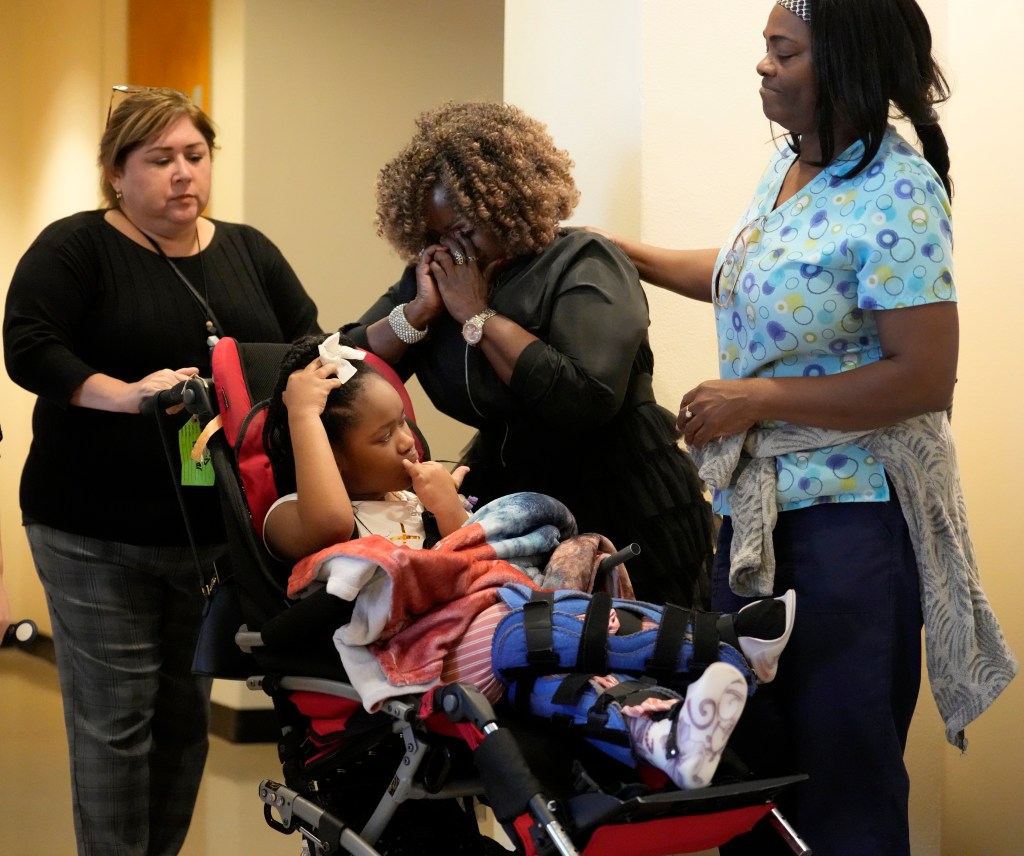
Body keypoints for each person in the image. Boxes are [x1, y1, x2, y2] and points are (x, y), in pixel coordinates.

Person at [591, 2, 1018, 854]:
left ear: (845, 63)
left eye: (782, 51)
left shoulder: (899, 189)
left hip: (851, 530)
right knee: (754, 770)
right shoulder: (794, 169)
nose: (762, 66)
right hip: (761, 524)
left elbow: (925, 375)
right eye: (765, 48)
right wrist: (615, 250)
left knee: (842, 779)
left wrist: (755, 400)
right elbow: (745, 271)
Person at [261, 333, 796, 793]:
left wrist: (448, 510)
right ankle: (724, 638)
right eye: (383, 436)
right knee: (528, 628)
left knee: (551, 678)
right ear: (326, 455)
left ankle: (663, 733)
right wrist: (302, 412)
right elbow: (333, 524)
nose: (406, 441)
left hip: (477, 644)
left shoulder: (412, 502)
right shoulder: (292, 514)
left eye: (403, 422)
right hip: (418, 664)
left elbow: (468, 566)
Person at [3, 86, 320, 856]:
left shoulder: (249, 250)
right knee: (117, 725)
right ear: (116, 172)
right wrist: (125, 396)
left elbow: (307, 342)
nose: (183, 174)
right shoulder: (76, 247)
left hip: (210, 537)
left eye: (195, 156)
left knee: (184, 720)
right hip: (90, 530)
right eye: (160, 160)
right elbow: (31, 347)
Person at [342, 101, 714, 610]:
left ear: (507, 205)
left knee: (631, 660)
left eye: (465, 230)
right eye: (436, 235)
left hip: (617, 492)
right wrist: (419, 312)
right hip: (509, 499)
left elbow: (587, 397)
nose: (453, 249)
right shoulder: (435, 279)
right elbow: (343, 371)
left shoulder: (582, 259)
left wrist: (476, 314)